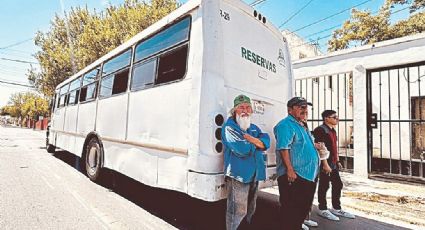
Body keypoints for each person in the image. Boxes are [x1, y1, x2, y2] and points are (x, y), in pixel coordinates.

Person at [222, 94, 270, 230]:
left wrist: (253, 140)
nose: (245, 110)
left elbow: (266, 142)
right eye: (241, 107)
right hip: (239, 175)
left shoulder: (253, 127)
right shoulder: (229, 127)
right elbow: (242, 149)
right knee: (237, 211)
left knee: (251, 208)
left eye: (248, 107)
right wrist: (258, 144)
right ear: (234, 110)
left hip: (255, 174)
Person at [273, 97, 321, 230]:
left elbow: (302, 145)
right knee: (291, 212)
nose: (305, 110)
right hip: (294, 176)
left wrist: (315, 146)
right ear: (290, 109)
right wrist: (289, 169)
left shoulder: (302, 125)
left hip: (307, 175)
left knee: (302, 210)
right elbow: (284, 148)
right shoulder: (285, 125)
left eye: (306, 107)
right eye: (301, 107)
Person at [313, 110, 355, 221]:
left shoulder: (333, 131)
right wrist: (325, 165)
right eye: (334, 117)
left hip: (332, 163)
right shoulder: (320, 130)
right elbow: (320, 149)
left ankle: (336, 208)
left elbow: (333, 148)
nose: (337, 119)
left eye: (337, 117)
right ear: (326, 118)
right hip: (324, 163)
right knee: (324, 185)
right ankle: (322, 209)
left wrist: (337, 161)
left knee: (338, 184)